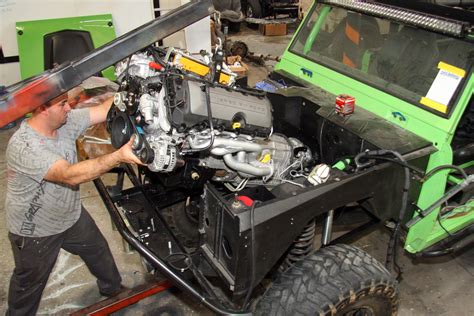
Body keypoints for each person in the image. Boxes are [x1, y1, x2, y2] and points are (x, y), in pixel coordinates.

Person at [4, 90, 143, 315]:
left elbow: (102, 110)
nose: (69, 107)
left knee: (98, 250)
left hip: (70, 214)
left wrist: (128, 90)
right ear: (42, 109)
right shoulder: (25, 146)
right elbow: (69, 174)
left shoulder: (64, 121)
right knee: (28, 284)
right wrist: (119, 156)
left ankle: (112, 289)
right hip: (35, 230)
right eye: (62, 104)